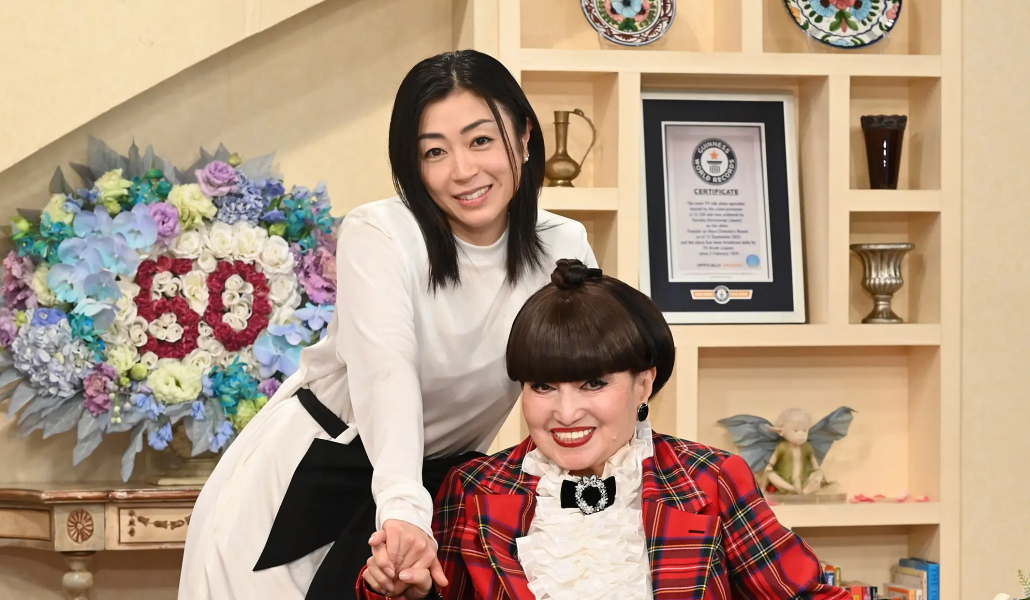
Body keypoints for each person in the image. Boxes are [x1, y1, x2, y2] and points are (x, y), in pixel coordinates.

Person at [177, 49, 597, 600]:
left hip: (435, 493)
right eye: (434, 151)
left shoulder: (563, 244)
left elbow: (594, 374)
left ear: (523, 137)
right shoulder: (380, 234)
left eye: (480, 140)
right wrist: (402, 511)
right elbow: (386, 374)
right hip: (308, 479)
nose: (463, 171)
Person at [358, 259, 850, 600]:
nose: (566, 413)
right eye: (543, 386)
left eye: (593, 383)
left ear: (644, 384)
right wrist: (401, 590)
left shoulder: (709, 478)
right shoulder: (473, 489)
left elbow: (808, 595)